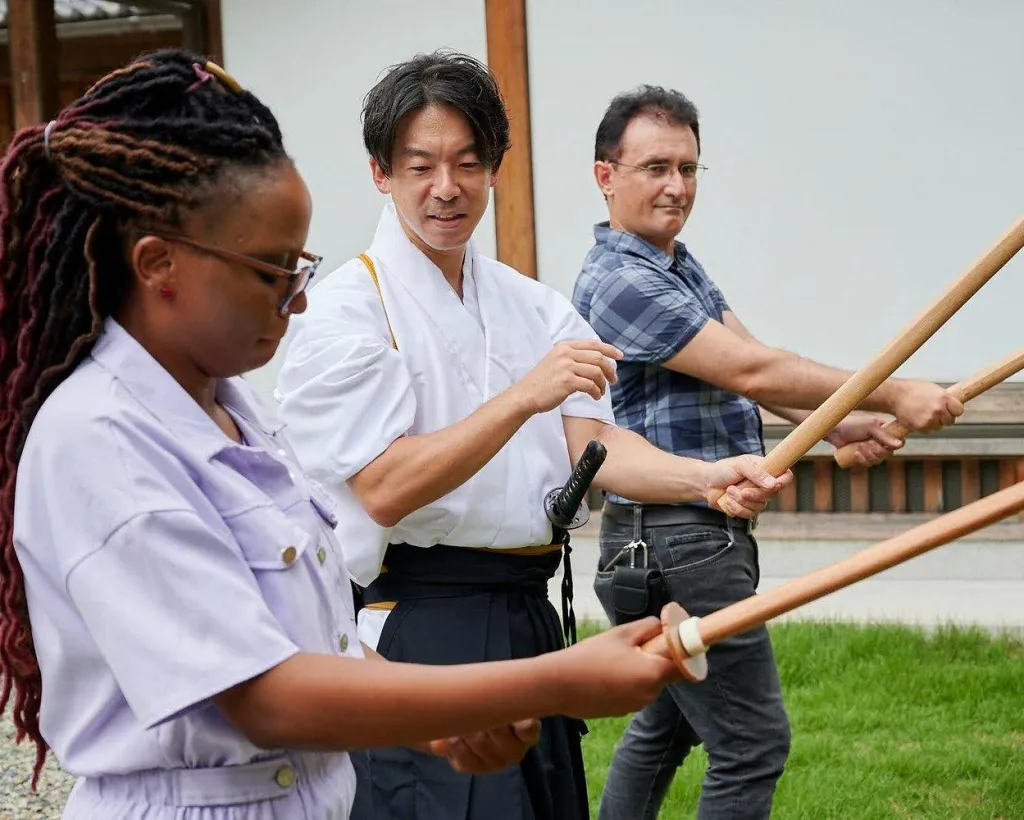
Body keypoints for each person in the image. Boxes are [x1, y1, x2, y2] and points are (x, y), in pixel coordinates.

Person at [0, 50, 707, 820]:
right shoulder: (102, 439)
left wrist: (447, 720)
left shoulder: (236, 412)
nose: (297, 303)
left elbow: (316, 641)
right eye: (273, 272)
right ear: (159, 263)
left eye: (299, 268)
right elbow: (264, 694)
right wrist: (552, 681)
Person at [274, 52, 791, 820]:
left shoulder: (531, 306)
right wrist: (522, 398)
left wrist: (704, 479)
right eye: (420, 166)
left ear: (494, 170)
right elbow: (383, 488)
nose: (446, 187)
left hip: (529, 614)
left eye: (468, 163)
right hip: (421, 618)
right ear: (381, 173)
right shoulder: (347, 308)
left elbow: (599, 447)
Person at [571, 85, 965, 820]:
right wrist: (892, 392)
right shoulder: (621, 280)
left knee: (664, 725)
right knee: (751, 742)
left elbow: (747, 358)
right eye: (656, 167)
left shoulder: (673, 264)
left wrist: (841, 423)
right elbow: (749, 371)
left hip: (668, 540)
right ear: (606, 175)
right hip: (677, 538)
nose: (676, 186)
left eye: (689, 169)